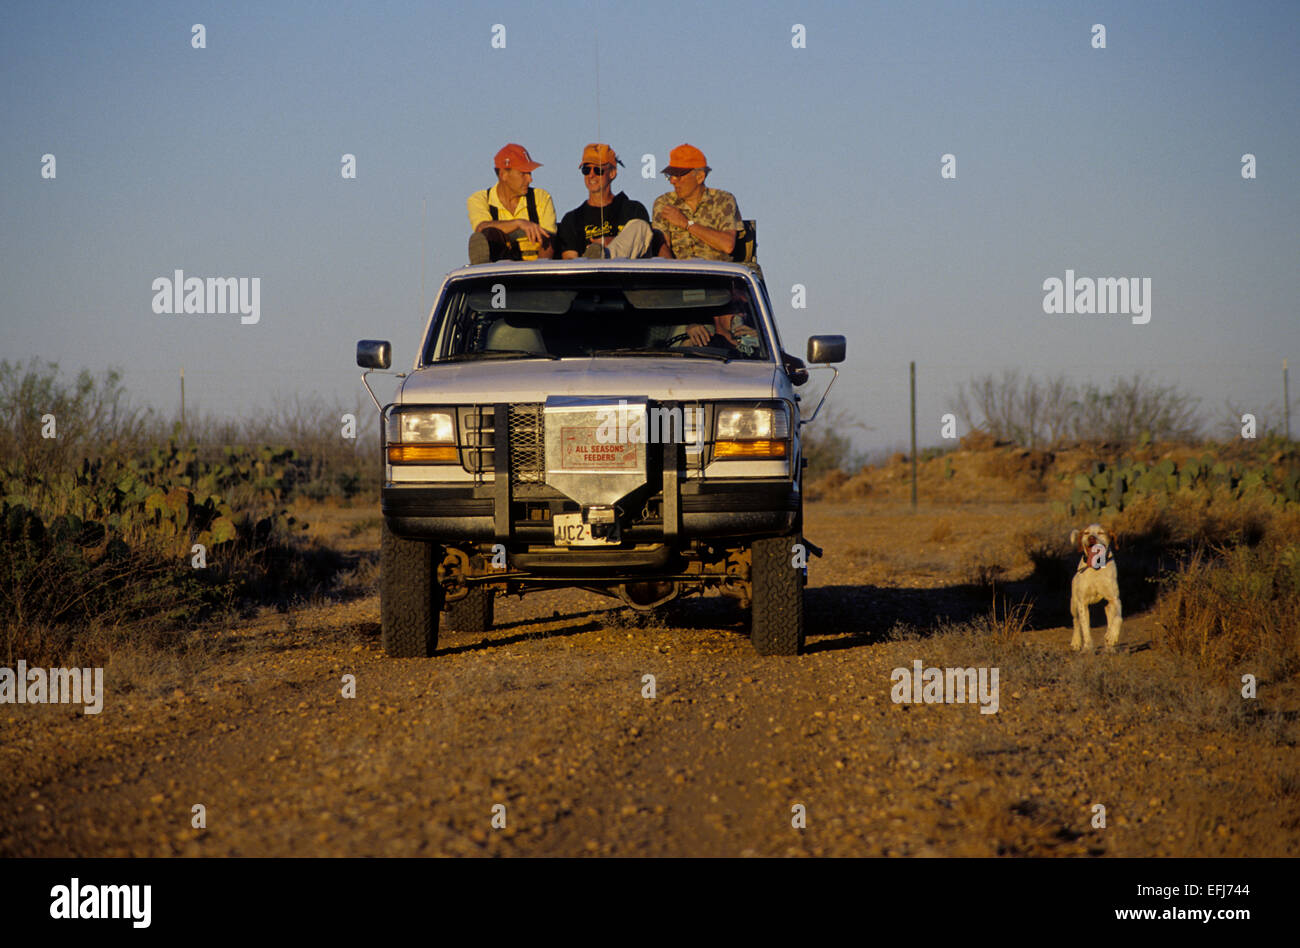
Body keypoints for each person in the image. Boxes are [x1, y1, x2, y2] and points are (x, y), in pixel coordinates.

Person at [557, 144, 655, 259]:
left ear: (612, 173)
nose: (591, 175)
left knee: (640, 226)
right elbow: (569, 259)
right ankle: (595, 258)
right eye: (586, 170)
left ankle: (603, 256)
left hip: (626, 274)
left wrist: (609, 243)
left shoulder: (633, 209)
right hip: (588, 274)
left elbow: (644, 244)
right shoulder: (572, 219)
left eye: (598, 170)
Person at [466, 144, 557, 263]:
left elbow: (548, 242)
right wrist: (519, 223)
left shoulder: (541, 197)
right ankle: (486, 273)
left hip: (535, 274)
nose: (530, 179)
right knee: (487, 235)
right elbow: (481, 228)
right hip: (500, 276)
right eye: (523, 173)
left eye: (530, 173)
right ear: (503, 174)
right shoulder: (480, 199)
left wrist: (536, 274)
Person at [651, 144, 742, 262]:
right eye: (670, 176)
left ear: (700, 177)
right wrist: (675, 274)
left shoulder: (723, 201)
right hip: (678, 275)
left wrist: (686, 224)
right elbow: (662, 247)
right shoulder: (664, 203)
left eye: (678, 176)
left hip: (716, 274)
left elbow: (727, 245)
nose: (672, 181)